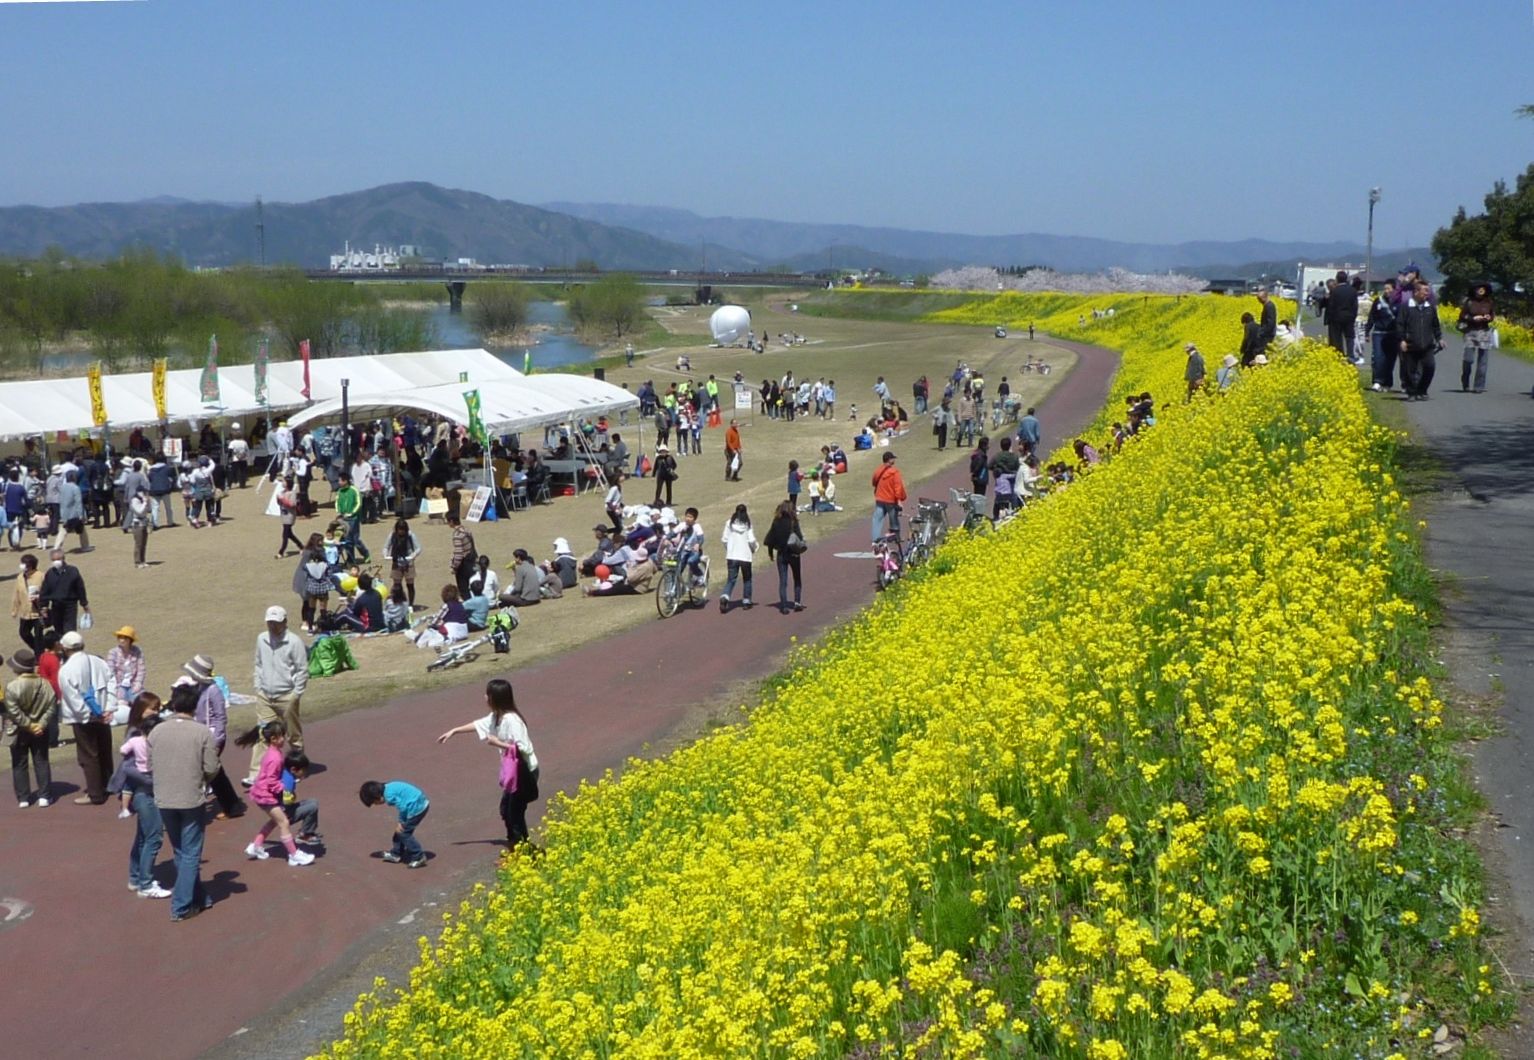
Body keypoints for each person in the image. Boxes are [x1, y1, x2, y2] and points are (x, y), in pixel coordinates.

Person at [437, 678, 539, 848]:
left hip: (524, 772)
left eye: (488, 694)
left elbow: (524, 748)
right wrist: (454, 731)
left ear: (495, 698)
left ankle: (524, 851)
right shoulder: (496, 716)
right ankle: (515, 845)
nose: (485, 697)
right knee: (506, 810)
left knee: (514, 813)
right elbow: (478, 725)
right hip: (512, 772)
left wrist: (498, 743)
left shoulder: (512, 720)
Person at [147, 687, 220, 920]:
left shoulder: (157, 731)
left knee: (181, 851)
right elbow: (212, 767)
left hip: (164, 798)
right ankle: (181, 905)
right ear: (195, 706)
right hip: (191, 798)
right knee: (190, 853)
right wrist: (200, 780)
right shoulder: (202, 732)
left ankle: (200, 897)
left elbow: (149, 765)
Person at [235, 719, 316, 867]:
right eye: (282, 736)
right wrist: (284, 790)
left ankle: (256, 846)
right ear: (273, 738)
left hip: (260, 794)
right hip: (265, 796)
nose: (284, 739)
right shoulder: (276, 758)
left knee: (275, 821)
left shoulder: (273, 752)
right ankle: (293, 855)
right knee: (283, 822)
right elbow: (271, 781)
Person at [247, 605, 309, 784]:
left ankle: (296, 768)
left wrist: (296, 694)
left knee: (292, 734)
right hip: (265, 695)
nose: (273, 627)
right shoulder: (262, 639)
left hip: (287, 695)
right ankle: (256, 773)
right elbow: (258, 664)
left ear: (285, 622)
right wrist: (258, 687)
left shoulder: (294, 642)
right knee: (263, 734)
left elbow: (302, 669)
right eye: (270, 623)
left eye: (276, 623)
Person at [181, 656, 243, 819]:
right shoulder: (200, 687)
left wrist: (216, 740)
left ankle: (230, 806)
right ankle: (232, 806)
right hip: (202, 737)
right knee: (214, 773)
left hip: (212, 738)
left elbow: (220, 718)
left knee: (211, 772)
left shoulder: (213, 691)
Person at [58, 630, 113, 805]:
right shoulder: (97, 661)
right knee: (104, 750)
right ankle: (108, 784)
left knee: (88, 755)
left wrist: (87, 714)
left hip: (85, 718)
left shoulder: (66, 670)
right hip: (103, 713)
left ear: (65, 648)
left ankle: (95, 794)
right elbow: (112, 682)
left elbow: (72, 697)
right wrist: (108, 708)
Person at [4, 646, 57, 808]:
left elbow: (13, 711)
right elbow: (51, 707)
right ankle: (44, 796)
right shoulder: (45, 684)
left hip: (19, 730)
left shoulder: (12, 686)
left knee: (19, 763)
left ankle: (23, 798)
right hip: (41, 730)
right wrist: (39, 725)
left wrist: (28, 725)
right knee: (41, 761)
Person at [359, 778, 430, 867]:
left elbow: (403, 808)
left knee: (404, 833)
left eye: (374, 802)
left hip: (417, 809)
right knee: (399, 833)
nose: (376, 805)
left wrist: (401, 822)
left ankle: (419, 856)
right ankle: (396, 854)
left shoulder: (388, 796)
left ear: (378, 797)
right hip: (420, 802)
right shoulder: (388, 786)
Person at [1398, 279, 1444, 401]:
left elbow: (1435, 325)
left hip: (1427, 345)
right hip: (1410, 344)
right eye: (1425, 291)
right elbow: (1400, 324)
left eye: (1428, 291)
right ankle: (1411, 392)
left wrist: (1439, 338)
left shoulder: (1430, 308)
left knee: (1430, 367)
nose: (1427, 294)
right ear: (1416, 292)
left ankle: (1422, 390)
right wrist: (1402, 340)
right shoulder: (1406, 307)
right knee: (1410, 370)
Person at [763, 499, 806, 614]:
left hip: (781, 554)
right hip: (794, 554)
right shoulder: (793, 522)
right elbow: (800, 537)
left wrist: (771, 553)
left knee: (783, 581)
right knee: (797, 578)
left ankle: (783, 605)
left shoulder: (776, 522)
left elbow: (770, 539)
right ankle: (797, 602)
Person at [39, 547, 90, 634]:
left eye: (58, 559)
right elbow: (45, 590)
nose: (56, 561)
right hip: (56, 605)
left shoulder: (72, 571)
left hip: (70, 605)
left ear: (63, 558)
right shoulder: (50, 573)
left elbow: (80, 588)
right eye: (53, 559)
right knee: (58, 629)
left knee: (70, 629)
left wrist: (84, 603)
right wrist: (44, 606)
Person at [719, 504, 758, 612]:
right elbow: (751, 540)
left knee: (731, 579)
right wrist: (755, 548)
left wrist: (729, 549)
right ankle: (746, 600)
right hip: (745, 556)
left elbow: (724, 539)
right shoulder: (747, 524)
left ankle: (725, 596)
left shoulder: (729, 523)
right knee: (747, 579)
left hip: (732, 556)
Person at [1458, 282, 1496, 393]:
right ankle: (1465, 381)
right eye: (1478, 288)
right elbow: (1462, 316)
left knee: (1483, 361)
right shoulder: (1469, 302)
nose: (1481, 290)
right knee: (1468, 359)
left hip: (1484, 332)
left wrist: (1488, 318)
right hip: (1470, 332)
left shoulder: (1489, 302)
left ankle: (1479, 386)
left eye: (1483, 288)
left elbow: (1492, 315)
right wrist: (1473, 318)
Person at [1366, 280, 1399, 392]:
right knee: (1378, 357)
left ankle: (1387, 383)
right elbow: (1372, 317)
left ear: (1394, 290)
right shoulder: (1378, 301)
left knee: (1390, 359)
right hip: (1379, 333)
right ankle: (1377, 381)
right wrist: (1367, 331)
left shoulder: (1398, 302)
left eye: (1389, 288)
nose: (1386, 291)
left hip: (1393, 334)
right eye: (1385, 289)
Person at [383, 518, 422, 609]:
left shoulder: (410, 535)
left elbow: (418, 548)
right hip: (396, 563)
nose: (401, 532)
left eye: (403, 530)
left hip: (408, 563)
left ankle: (410, 604)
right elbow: (386, 546)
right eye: (399, 530)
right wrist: (385, 554)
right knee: (397, 585)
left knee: (410, 584)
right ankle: (398, 603)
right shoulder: (392, 535)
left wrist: (412, 556)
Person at [106, 626, 145, 714]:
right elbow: (110, 671)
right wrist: (115, 688)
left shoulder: (137, 651)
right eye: (120, 637)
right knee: (121, 706)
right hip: (118, 685)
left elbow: (141, 670)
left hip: (133, 684)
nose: (122, 640)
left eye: (125, 638)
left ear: (130, 640)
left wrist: (138, 683)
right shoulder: (113, 652)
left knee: (142, 703)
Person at [870, 451, 906, 544]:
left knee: (877, 519)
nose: (894, 460)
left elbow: (874, 482)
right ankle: (896, 537)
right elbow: (897, 486)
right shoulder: (894, 472)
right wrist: (898, 500)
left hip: (880, 498)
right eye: (893, 458)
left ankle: (875, 538)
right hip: (890, 499)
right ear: (890, 460)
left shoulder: (878, 470)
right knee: (893, 519)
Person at [12, 552, 44, 652]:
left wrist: (40, 599)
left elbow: (47, 592)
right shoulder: (20, 577)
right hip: (25, 612)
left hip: (38, 612)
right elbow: (16, 594)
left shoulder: (41, 576)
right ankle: (39, 650)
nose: (22, 566)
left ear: (31, 566)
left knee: (39, 636)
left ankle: (39, 656)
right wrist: (14, 610)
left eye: (24, 564)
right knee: (23, 633)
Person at [1325, 269, 1357, 359]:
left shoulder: (1335, 291)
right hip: (1349, 317)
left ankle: (1339, 355)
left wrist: (1331, 317)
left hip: (1337, 318)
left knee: (1337, 338)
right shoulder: (1353, 290)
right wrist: (1353, 316)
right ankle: (1350, 355)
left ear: (1337, 279)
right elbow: (1355, 306)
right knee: (1350, 337)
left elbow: (1331, 305)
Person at [57, 470, 92, 553]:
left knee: (63, 530)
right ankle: (85, 546)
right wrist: (81, 515)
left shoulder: (62, 487)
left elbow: (60, 500)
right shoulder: (76, 488)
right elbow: (78, 502)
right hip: (74, 513)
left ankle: (56, 547)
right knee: (82, 530)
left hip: (64, 512)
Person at [989, 436, 1023, 519]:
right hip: (1012, 479)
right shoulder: (1014, 456)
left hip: (1001, 480)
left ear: (1001, 446)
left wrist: (996, 469)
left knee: (998, 499)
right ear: (1010, 445)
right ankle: (1015, 512)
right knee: (1013, 496)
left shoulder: (997, 456)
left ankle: (996, 516)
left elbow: (989, 466)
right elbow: (1017, 467)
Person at [447, 513, 477, 599]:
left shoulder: (457, 535)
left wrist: (454, 566)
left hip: (464, 564)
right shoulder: (466, 530)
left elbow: (459, 553)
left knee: (463, 588)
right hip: (471, 559)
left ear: (452, 522)